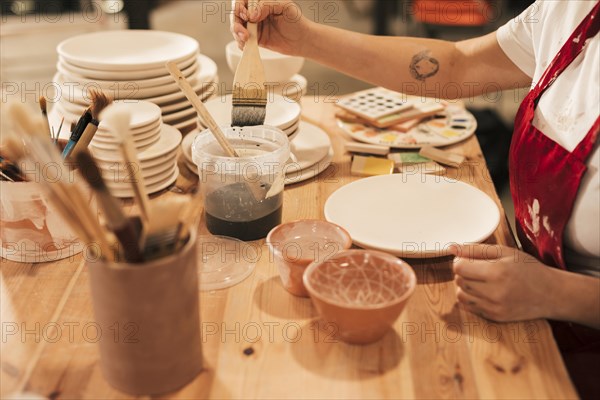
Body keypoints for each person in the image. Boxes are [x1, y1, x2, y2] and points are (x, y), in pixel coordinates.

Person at [232, 0, 599, 396]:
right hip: (520, 297)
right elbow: (458, 64)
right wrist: (304, 38)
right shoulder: (573, 8)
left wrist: (555, 293)